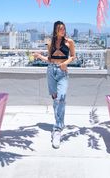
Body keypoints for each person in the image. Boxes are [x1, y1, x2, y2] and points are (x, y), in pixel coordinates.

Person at [33, 21, 75, 149]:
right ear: (55, 30)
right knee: (55, 99)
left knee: (61, 98)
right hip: (51, 71)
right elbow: (50, 59)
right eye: (60, 29)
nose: (62, 31)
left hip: (62, 72)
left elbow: (73, 56)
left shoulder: (69, 42)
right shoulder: (50, 43)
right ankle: (59, 123)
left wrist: (65, 63)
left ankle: (57, 129)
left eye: (63, 29)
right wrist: (40, 56)